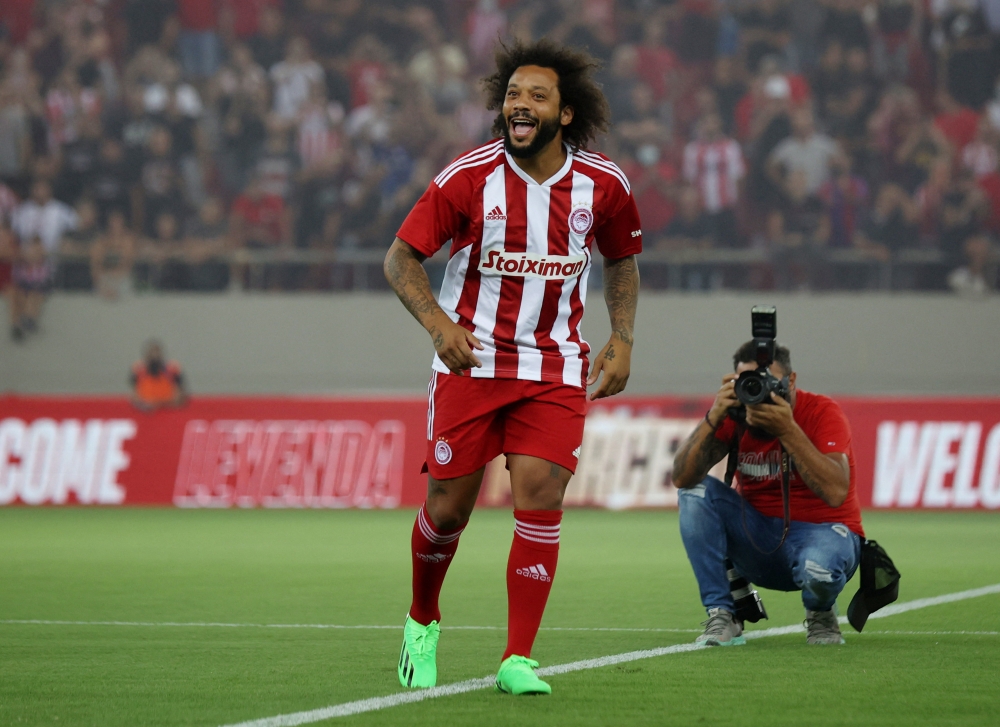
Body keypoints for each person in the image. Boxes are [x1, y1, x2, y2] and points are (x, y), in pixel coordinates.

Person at [383, 39, 642, 696]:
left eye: (536, 96)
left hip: (554, 365)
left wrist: (623, 338)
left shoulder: (603, 185)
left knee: (541, 492)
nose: (518, 106)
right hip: (472, 366)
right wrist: (439, 326)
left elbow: (621, 260)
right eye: (512, 96)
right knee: (447, 508)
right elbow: (399, 260)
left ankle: (517, 657)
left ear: (563, 114)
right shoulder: (467, 178)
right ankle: (422, 618)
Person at [671, 341, 864, 647]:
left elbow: (836, 491)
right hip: (759, 538)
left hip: (823, 534)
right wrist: (715, 416)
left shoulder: (821, 411)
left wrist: (787, 429)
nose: (760, 390)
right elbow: (681, 477)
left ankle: (820, 612)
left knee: (819, 570)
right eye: (750, 381)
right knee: (694, 493)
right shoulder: (737, 414)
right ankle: (723, 612)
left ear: (791, 381)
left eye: (768, 381)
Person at [131, 340, 187, 411]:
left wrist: (158, 404)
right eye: (151, 354)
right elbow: (134, 396)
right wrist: (143, 405)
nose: (154, 357)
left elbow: (180, 397)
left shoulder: (172, 370)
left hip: (168, 412)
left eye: (157, 354)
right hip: (145, 413)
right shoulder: (139, 370)